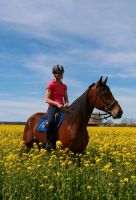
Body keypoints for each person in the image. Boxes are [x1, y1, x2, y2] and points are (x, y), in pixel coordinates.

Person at [45, 64, 69, 150]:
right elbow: (46, 99)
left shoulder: (64, 86)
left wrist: (66, 104)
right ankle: (48, 142)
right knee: (51, 121)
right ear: (54, 74)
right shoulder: (51, 84)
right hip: (53, 107)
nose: (60, 75)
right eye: (57, 73)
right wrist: (56, 103)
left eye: (61, 73)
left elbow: (66, 99)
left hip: (62, 107)